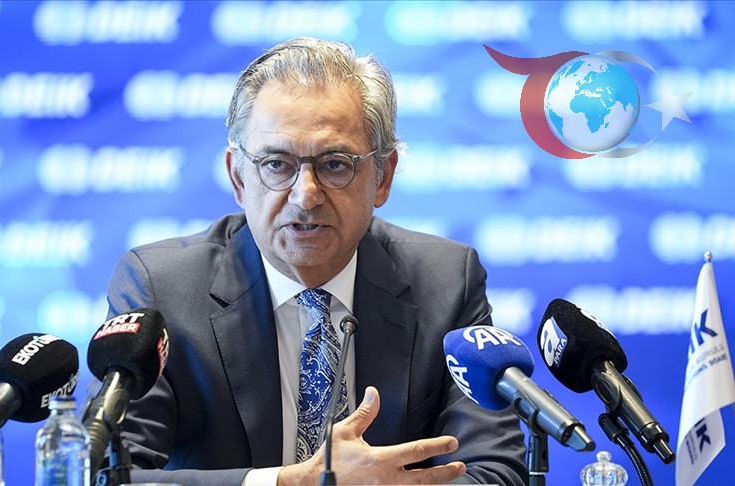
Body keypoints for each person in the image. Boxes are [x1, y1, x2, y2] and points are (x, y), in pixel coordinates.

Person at [104, 37, 528, 485]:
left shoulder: (446, 283)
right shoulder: (161, 288)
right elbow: (109, 474)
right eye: (277, 164)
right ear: (238, 178)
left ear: (382, 177)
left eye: (335, 164)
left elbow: (497, 470)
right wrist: (290, 482)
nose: (305, 196)